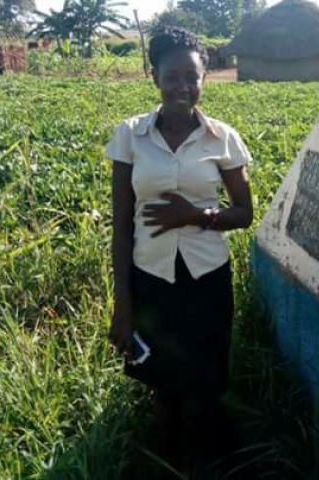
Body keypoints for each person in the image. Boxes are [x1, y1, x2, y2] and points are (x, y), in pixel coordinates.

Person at [105, 26, 254, 473]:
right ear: (155, 76)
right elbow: (121, 224)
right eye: (172, 77)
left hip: (207, 278)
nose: (182, 87)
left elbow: (244, 213)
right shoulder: (130, 136)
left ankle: (209, 459)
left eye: (192, 77)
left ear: (205, 77)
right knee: (161, 384)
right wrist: (123, 304)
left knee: (205, 384)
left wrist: (195, 216)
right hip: (151, 278)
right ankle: (164, 458)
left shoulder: (222, 138)